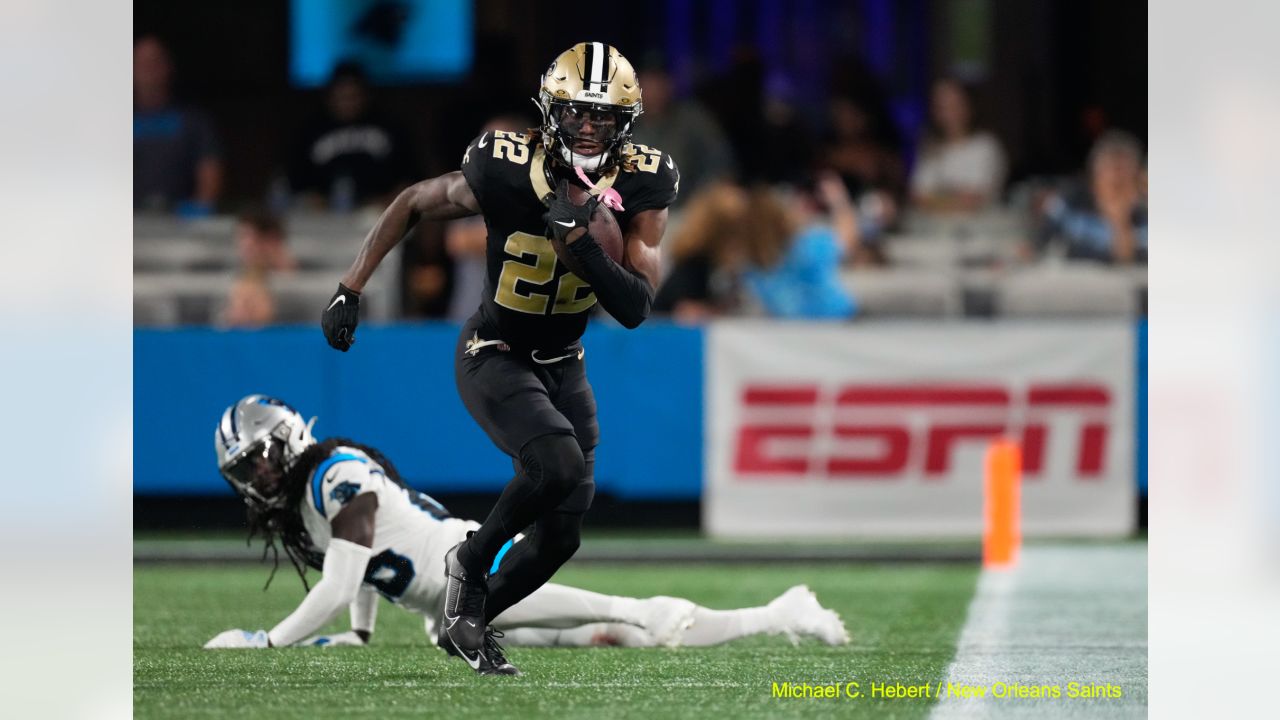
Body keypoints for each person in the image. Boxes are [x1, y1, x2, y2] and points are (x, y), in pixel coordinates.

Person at [319, 43, 680, 675]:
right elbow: (413, 201)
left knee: (562, 535)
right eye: (577, 113)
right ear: (550, 111)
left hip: (564, 359)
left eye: (603, 115)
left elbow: (636, 307)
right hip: (495, 350)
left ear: (627, 120)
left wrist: (584, 249)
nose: (589, 127)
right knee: (558, 463)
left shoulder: (646, 180)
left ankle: (467, 618)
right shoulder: (504, 164)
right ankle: (467, 562)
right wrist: (350, 287)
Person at [204, 396, 849, 661]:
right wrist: (361, 635)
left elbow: (343, 578)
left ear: (288, 439)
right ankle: (766, 614)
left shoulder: (336, 472)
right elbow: (361, 563)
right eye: (245, 468)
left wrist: (269, 643)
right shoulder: (310, 500)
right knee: (605, 635)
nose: (257, 474)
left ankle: (781, 611)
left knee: (634, 616)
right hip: (451, 610)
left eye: (260, 456)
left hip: (483, 576)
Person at [288, 62, 418, 211]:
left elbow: (411, 177)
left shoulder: (391, 127)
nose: (348, 103)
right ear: (330, 97)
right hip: (323, 219)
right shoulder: (310, 131)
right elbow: (293, 182)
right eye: (342, 96)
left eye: (354, 96)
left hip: (381, 215)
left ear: (366, 95)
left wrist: (394, 201)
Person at [133, 35, 223, 215]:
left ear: (168, 67)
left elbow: (210, 170)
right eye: (142, 63)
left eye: (154, 62)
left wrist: (200, 208)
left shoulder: (193, 120)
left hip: (177, 224)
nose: (148, 70)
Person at [1036, 130, 1147, 264]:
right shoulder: (1069, 202)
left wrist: (1121, 219)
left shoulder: (1144, 212)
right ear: (1096, 172)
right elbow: (1039, 244)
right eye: (1111, 169)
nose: (1116, 179)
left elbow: (1128, 259)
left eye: (1125, 171)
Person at [909, 78, 1008, 214]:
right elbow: (918, 195)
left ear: (968, 106)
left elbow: (974, 199)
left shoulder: (986, 146)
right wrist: (953, 198)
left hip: (984, 229)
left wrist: (936, 198)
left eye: (955, 105)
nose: (949, 113)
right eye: (942, 107)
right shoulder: (930, 147)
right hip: (933, 229)